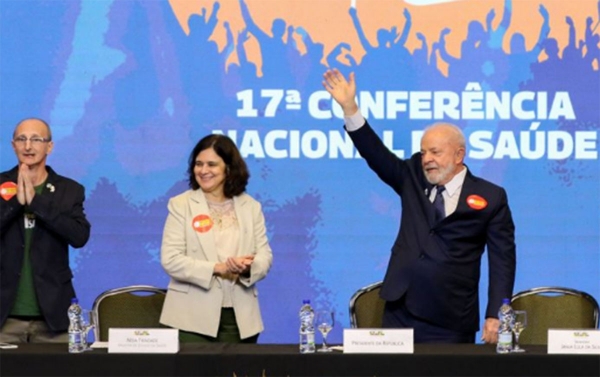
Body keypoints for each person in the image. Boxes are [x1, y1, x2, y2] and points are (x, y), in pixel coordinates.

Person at [322, 69, 516, 344]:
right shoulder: (412, 174)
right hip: (400, 311)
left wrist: (497, 313)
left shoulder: (491, 197)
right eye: (424, 152)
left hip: (450, 317)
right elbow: (376, 155)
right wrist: (350, 108)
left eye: (436, 152)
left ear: (459, 154)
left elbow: (502, 261)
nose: (427, 159)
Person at [159, 134, 273, 343]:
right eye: (198, 164)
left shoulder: (251, 207)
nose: (203, 170)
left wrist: (247, 267)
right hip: (189, 318)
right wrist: (218, 268)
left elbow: (264, 257)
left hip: (240, 318)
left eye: (212, 164)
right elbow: (171, 259)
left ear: (229, 168)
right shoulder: (180, 205)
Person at [0, 118, 91, 343]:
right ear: (13, 145)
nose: (28, 146)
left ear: (49, 146)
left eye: (36, 139)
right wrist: (15, 204)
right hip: (4, 317)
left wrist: (36, 202)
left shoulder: (69, 189)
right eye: (22, 139)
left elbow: (79, 236)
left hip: (54, 316)